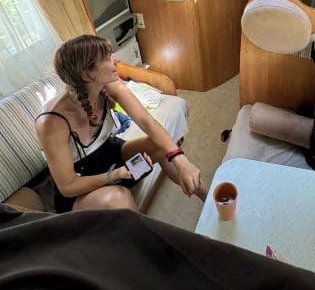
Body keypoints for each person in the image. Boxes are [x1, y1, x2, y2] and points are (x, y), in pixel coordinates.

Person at [35, 34, 206, 212]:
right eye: (107, 58)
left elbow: (147, 122)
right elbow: (67, 186)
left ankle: (210, 199)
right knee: (119, 196)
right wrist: (114, 175)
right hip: (79, 185)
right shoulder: (51, 122)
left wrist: (181, 159)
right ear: (87, 74)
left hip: (110, 155)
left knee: (162, 145)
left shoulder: (110, 84)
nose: (116, 59)